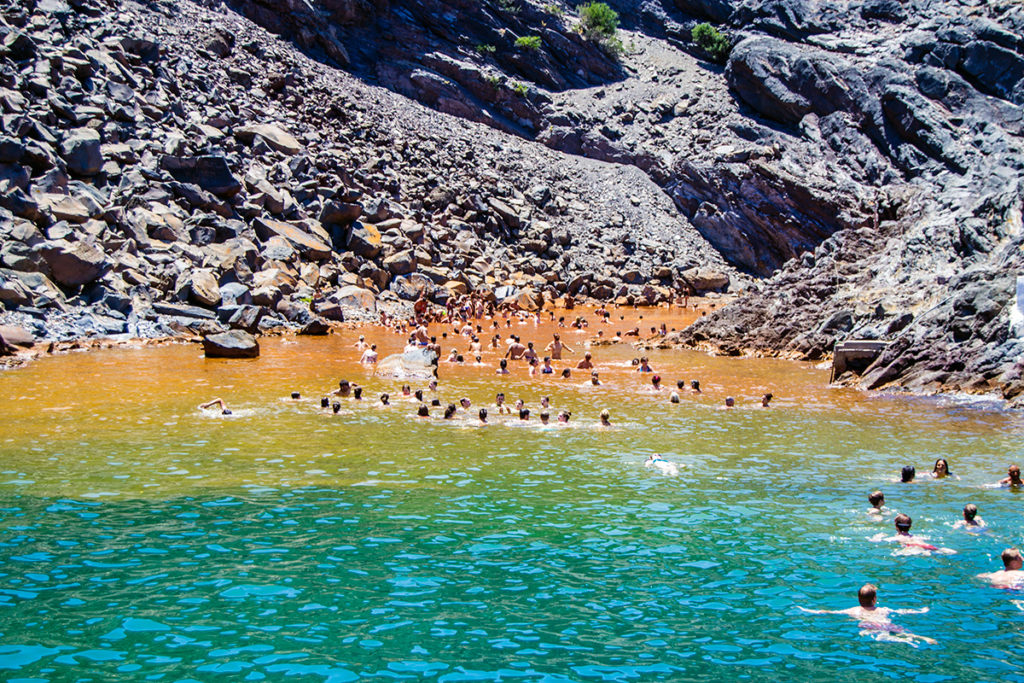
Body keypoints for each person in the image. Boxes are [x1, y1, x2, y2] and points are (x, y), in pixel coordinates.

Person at [798, 584, 936, 646]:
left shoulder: (854, 611)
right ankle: (920, 638)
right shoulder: (884, 610)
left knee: (869, 632)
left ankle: (891, 638)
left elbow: (828, 612)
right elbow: (903, 611)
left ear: (858, 599)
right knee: (904, 632)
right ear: (875, 599)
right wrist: (921, 610)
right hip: (886, 624)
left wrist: (808, 610)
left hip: (868, 625)